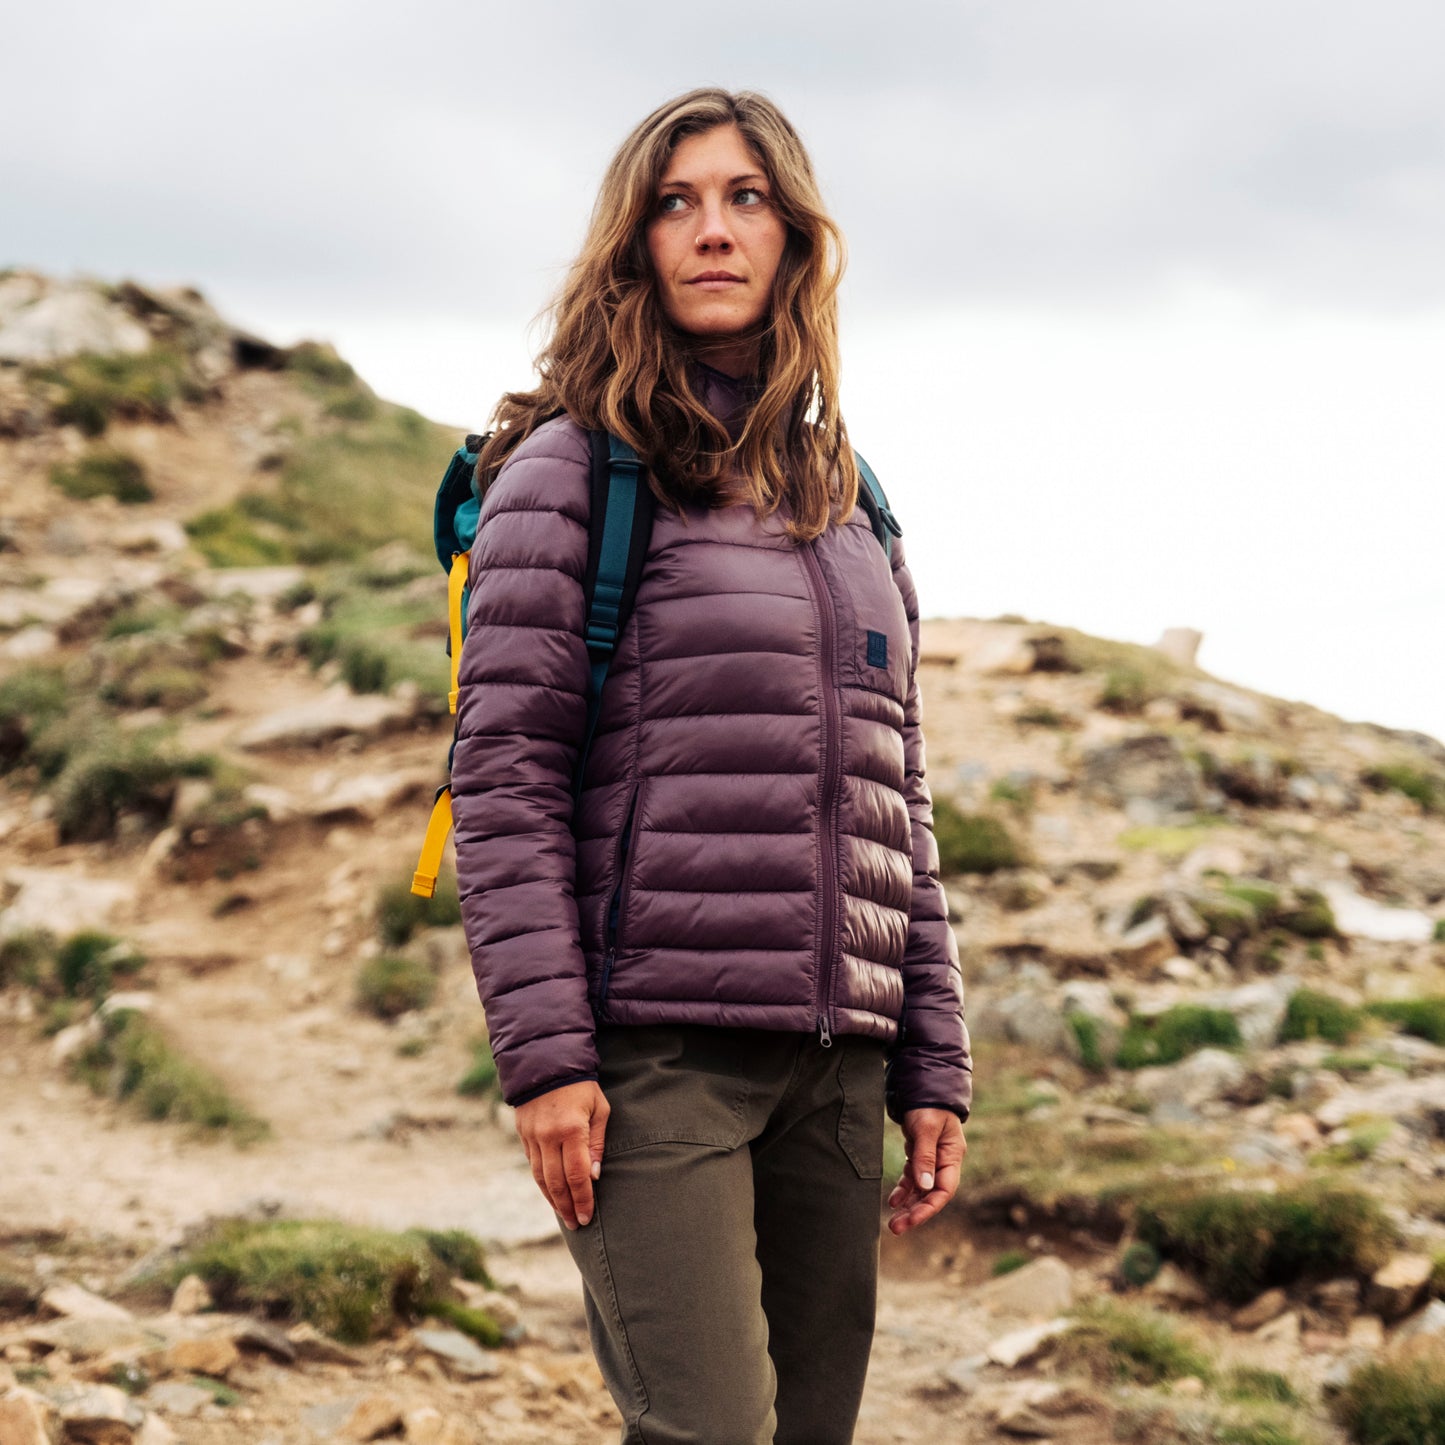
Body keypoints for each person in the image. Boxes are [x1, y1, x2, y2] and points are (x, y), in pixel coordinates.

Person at [451, 86, 973, 1445]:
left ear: (795, 238)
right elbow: (502, 773)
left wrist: (932, 1054)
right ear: (632, 244)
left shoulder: (850, 501)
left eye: (745, 198)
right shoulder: (573, 472)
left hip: (834, 1068)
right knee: (708, 1429)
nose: (712, 230)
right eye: (675, 203)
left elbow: (892, 802)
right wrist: (547, 1057)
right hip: (652, 1060)